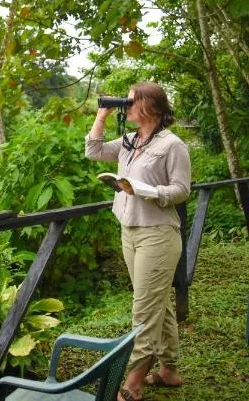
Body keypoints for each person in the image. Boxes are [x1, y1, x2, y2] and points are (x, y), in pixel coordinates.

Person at [85, 82, 191, 401]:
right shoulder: (131, 139)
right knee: (158, 304)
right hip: (129, 230)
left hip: (158, 234)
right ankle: (169, 370)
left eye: (130, 101)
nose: (125, 106)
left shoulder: (173, 145)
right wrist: (102, 116)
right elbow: (94, 151)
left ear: (151, 107)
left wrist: (148, 191)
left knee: (143, 310)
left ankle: (133, 381)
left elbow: (182, 190)